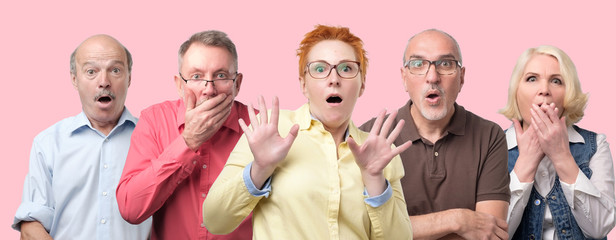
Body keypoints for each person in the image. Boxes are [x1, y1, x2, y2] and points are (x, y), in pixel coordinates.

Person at [203, 25, 412, 239]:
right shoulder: (270, 131)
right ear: (303, 84)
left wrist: (374, 179)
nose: (334, 79)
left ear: (362, 85)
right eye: (320, 69)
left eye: (347, 69)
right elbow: (214, 220)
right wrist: (260, 169)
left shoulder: (381, 152)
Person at [360, 29, 510, 239]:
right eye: (418, 64)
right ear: (404, 77)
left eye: (446, 64)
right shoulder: (368, 136)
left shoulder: (489, 136)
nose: (432, 77)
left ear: (462, 77)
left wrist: (401, 228)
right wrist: (458, 220)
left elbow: (489, 233)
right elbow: (366, 229)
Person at [116, 30, 253, 239]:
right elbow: (131, 209)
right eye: (197, 77)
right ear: (180, 85)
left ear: (237, 84)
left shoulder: (260, 126)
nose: (209, 89)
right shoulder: (154, 120)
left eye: (221, 76)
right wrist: (188, 142)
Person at [12, 35, 152, 240]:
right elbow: (31, 226)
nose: (104, 82)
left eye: (115, 70)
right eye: (91, 72)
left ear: (129, 77)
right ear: (75, 79)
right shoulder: (48, 143)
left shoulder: (155, 139)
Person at [501, 45, 616, 239]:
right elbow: (492, 232)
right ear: (516, 91)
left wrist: (561, 156)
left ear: (568, 94)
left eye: (556, 81)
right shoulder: (494, 146)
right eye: (531, 79)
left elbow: (600, 228)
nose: (544, 90)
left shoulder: (596, 145)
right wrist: (526, 163)